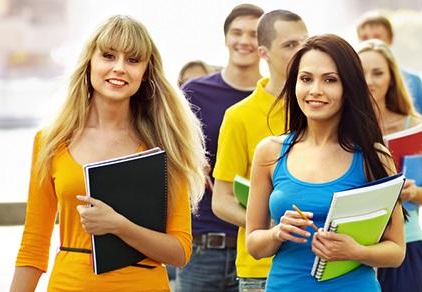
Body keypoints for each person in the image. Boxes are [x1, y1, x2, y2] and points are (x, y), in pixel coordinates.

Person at [10, 15, 206, 291]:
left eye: (133, 60)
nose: (119, 68)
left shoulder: (166, 145)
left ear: (146, 71)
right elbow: (34, 244)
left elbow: (180, 251)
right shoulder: (50, 141)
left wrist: (119, 226)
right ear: (90, 61)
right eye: (109, 56)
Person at [245, 34, 406, 291]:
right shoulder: (269, 152)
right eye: (306, 79)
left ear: (348, 88)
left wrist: (355, 250)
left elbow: (396, 250)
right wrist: (277, 233)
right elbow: (253, 245)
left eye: (330, 80)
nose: (315, 90)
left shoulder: (374, 156)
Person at [212, 9, 308, 292]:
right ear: (263, 53)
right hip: (262, 271)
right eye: (290, 45)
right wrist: (271, 225)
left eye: (306, 43)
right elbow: (222, 200)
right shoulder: (239, 116)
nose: (302, 52)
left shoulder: (324, 107)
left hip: (319, 263)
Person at [174, 4, 264, 292]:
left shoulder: (279, 96)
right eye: (237, 32)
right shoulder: (195, 92)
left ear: (265, 44)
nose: (245, 41)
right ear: (226, 38)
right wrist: (189, 164)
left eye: (254, 34)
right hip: (203, 247)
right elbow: (169, 152)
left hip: (259, 249)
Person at [357, 39, 422, 292]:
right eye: (362, 73)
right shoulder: (341, 128)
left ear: (392, 77)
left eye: (378, 73)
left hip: (407, 243)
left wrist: (412, 192)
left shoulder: (413, 126)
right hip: (354, 250)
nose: (369, 80)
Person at [356, 10, 422, 126]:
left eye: (377, 37)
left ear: (390, 39)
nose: (371, 41)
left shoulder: (413, 81)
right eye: (364, 38)